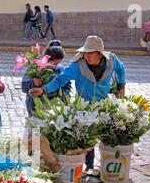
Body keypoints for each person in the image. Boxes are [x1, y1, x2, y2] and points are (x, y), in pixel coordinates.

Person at [29, 36, 126, 172]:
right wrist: (43, 89)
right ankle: (89, 166)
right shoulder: (77, 65)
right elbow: (60, 80)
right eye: (85, 52)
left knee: (106, 134)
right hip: (83, 106)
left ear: (99, 53)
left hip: (104, 104)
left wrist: (121, 86)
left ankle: (108, 165)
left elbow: (121, 69)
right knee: (87, 137)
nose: (87, 56)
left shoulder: (111, 61)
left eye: (90, 52)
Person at [22, 42, 71, 116]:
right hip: (34, 108)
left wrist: (65, 99)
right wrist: (32, 82)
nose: (54, 66)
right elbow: (24, 86)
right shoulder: (34, 67)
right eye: (53, 63)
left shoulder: (60, 70)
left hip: (53, 109)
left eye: (57, 64)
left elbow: (66, 87)